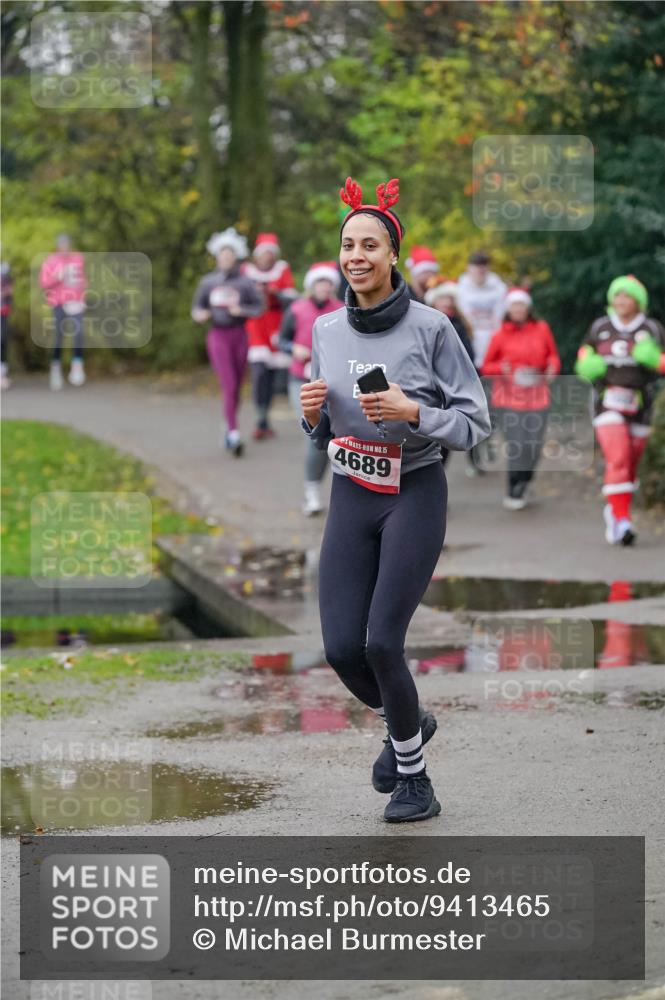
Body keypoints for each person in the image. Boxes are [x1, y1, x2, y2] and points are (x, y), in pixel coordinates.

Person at [300, 176, 490, 823]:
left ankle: (414, 781)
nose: (355, 256)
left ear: (391, 256)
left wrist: (416, 411)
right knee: (339, 649)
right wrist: (310, 415)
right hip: (352, 491)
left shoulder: (432, 327)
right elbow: (326, 425)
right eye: (347, 244)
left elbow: (473, 423)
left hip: (414, 489)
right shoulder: (325, 328)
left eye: (369, 245)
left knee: (382, 643)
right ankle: (409, 720)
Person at [575, 274, 665, 546]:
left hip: (641, 403)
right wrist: (588, 364)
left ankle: (615, 509)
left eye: (627, 296)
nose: (621, 300)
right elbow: (583, 352)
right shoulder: (601, 326)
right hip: (607, 400)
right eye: (617, 295)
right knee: (619, 457)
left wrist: (654, 359)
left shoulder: (651, 327)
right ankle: (622, 519)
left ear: (638, 301)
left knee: (631, 464)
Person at [481, 288, 560, 509]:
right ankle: (513, 487)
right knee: (517, 444)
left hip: (538, 395)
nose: (518, 309)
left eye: (521, 305)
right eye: (514, 306)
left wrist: (553, 367)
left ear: (528, 308)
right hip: (509, 398)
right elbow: (487, 366)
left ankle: (525, 479)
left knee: (533, 444)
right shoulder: (500, 334)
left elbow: (552, 355)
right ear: (508, 309)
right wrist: (501, 368)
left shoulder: (542, 329)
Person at [191, 228, 264, 457]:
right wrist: (200, 314)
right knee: (229, 385)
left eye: (229, 255)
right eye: (222, 255)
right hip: (218, 336)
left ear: (235, 257)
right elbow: (197, 307)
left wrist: (240, 309)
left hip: (240, 335)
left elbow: (259, 307)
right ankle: (233, 433)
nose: (226, 258)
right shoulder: (208, 282)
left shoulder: (245, 282)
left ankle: (228, 424)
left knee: (237, 387)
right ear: (216, 257)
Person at [278, 261, 343, 516]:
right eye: (320, 282)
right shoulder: (296, 309)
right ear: (312, 285)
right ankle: (312, 492)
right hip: (300, 380)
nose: (324, 287)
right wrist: (292, 348)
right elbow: (281, 339)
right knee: (314, 431)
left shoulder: (341, 310)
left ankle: (338, 491)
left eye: (328, 283)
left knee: (335, 434)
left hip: (331, 380)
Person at [243, 233, 297, 439]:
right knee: (259, 374)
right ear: (257, 255)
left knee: (274, 377)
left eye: (269, 252)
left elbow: (291, 298)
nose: (266, 256)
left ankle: (265, 418)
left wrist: (274, 293)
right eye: (263, 252)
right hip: (256, 327)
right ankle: (261, 418)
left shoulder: (282, 270)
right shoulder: (246, 272)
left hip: (276, 325)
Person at [39, 234, 87, 391]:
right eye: (62, 245)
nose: (65, 248)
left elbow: (82, 280)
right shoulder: (51, 260)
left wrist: (83, 296)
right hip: (58, 302)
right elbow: (44, 283)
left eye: (67, 245)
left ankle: (77, 366)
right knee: (59, 337)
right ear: (58, 246)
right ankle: (56, 369)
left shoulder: (78, 258)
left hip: (75, 301)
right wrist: (57, 276)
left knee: (78, 333)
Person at [456, 251, 508, 367]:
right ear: (468, 268)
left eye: (483, 265)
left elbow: (503, 319)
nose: (480, 269)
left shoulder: (500, 288)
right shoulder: (459, 290)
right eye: (476, 265)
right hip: (469, 345)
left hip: (496, 347)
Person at [1, 262, 12, 390]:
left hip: (2, 311)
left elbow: (9, 290)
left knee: (2, 341)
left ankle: (2, 374)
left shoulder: (4, 269)